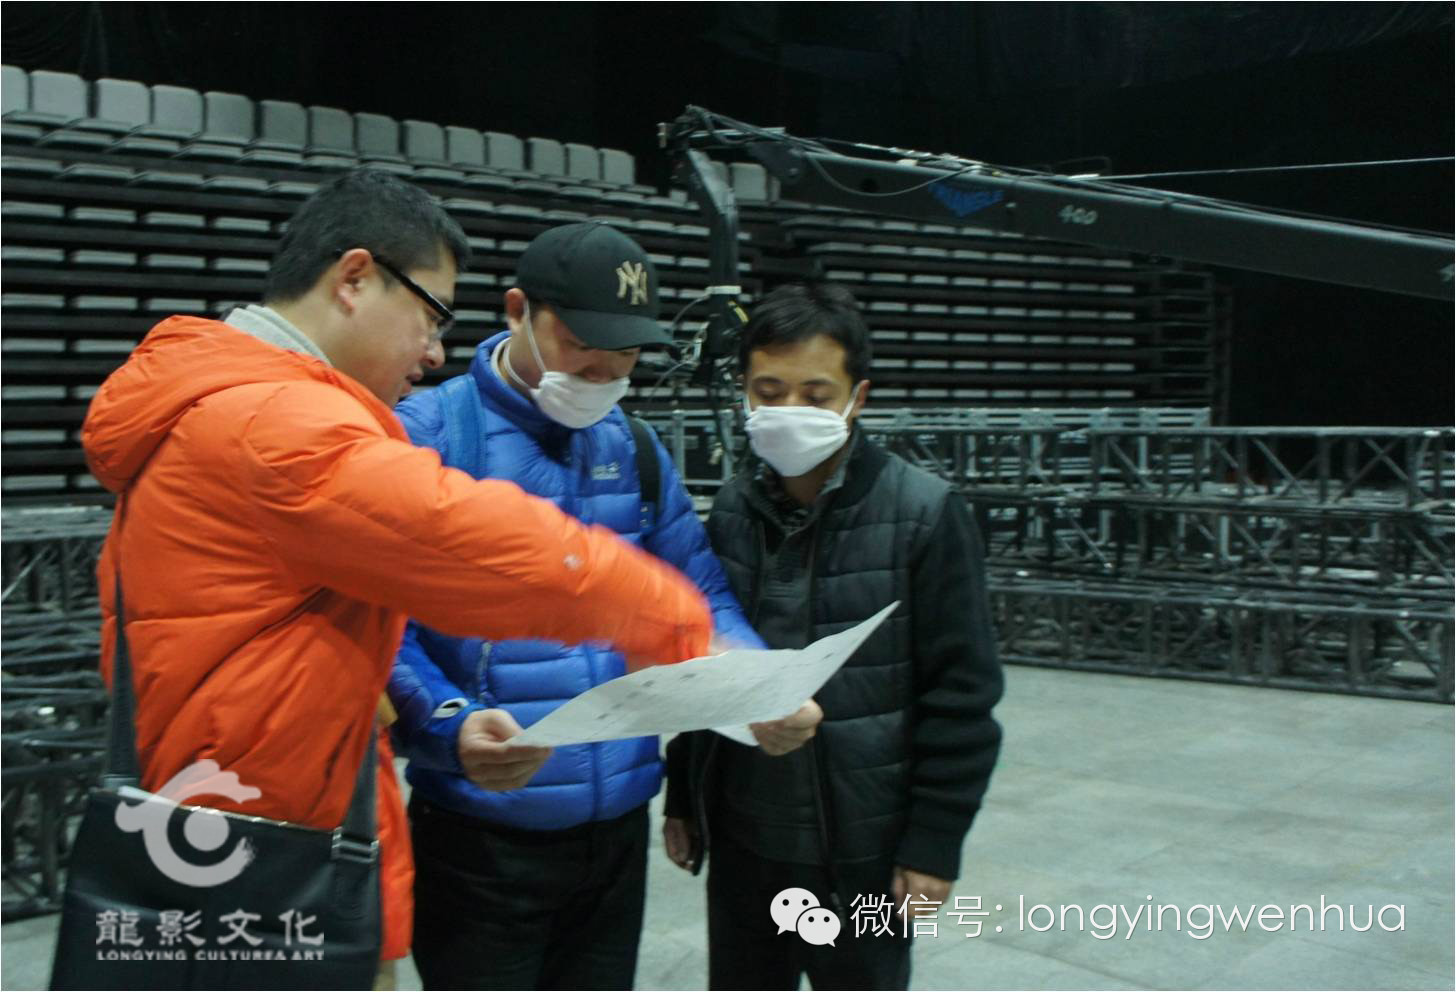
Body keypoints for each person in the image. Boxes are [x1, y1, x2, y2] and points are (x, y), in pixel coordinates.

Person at [79, 171, 722, 983]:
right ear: (355, 278)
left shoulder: (229, 403)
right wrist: (669, 617)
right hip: (265, 849)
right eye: (430, 314)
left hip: (247, 821)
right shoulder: (275, 422)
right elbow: (478, 548)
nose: (434, 350)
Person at [387, 221, 821, 990]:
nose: (606, 370)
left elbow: (699, 594)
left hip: (617, 833)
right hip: (480, 837)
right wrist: (449, 722)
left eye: (626, 352)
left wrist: (759, 686)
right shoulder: (425, 437)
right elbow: (381, 627)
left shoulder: (633, 448)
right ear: (518, 311)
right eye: (584, 343)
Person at [663, 282, 1005, 990]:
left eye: (816, 395)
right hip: (745, 840)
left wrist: (934, 843)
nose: (790, 410)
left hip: (863, 852)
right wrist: (685, 797)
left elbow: (963, 694)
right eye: (769, 391)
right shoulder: (733, 508)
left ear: (858, 397)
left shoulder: (924, 513)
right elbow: (704, 661)